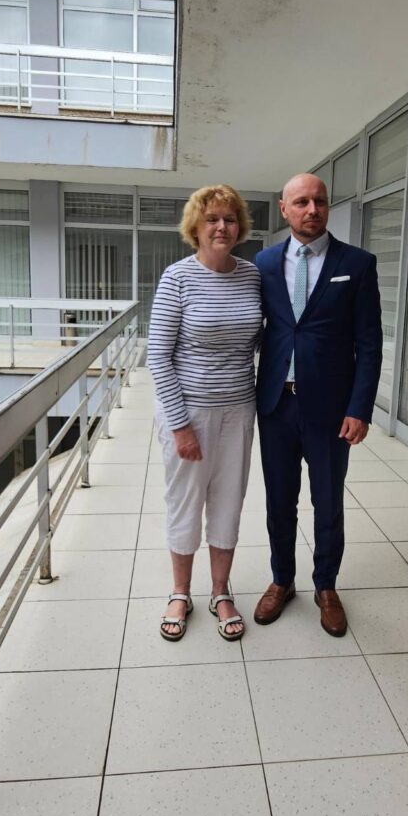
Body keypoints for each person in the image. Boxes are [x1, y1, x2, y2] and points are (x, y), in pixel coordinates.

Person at [254, 173, 382, 636]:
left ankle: (326, 586)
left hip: (331, 411)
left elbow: (369, 344)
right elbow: (258, 329)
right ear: (285, 210)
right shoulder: (264, 264)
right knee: (278, 501)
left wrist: (360, 407)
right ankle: (282, 580)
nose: (313, 210)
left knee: (327, 502)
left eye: (320, 202)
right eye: (302, 202)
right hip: (275, 407)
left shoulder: (358, 264)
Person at [147, 185, 261, 642]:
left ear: (240, 227)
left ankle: (219, 592)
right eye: (211, 218)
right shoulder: (177, 278)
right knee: (185, 503)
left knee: (229, 503)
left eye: (229, 219)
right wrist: (180, 426)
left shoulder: (252, 275)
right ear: (195, 227)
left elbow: (259, 342)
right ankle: (180, 592)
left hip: (238, 410)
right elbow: (158, 355)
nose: (221, 226)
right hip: (189, 411)